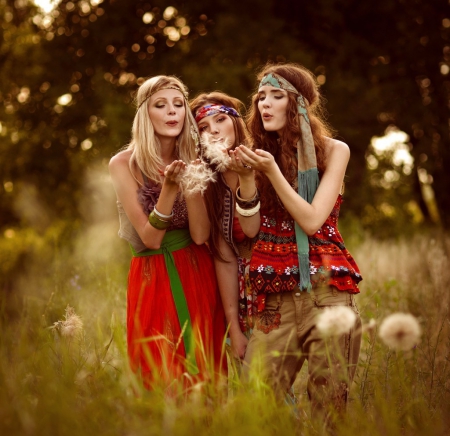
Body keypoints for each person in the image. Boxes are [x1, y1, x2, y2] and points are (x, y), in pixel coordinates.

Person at [233, 63, 363, 419]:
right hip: (274, 297)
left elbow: (311, 219)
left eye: (277, 96)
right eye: (261, 96)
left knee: (330, 408)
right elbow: (251, 229)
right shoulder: (254, 152)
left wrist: (271, 171)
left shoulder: (335, 150)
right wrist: (247, 179)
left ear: (301, 103)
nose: (265, 104)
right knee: (255, 407)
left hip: (327, 292)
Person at [109, 76, 226, 389]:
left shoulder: (193, 157)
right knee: (161, 368)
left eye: (178, 105)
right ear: (145, 116)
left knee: (205, 365)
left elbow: (201, 235)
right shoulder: (123, 164)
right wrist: (169, 189)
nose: (172, 112)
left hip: (196, 268)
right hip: (153, 272)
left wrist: (189, 181)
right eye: (160, 105)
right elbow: (150, 238)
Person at [189, 92, 256, 362]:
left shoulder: (263, 163)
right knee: (252, 383)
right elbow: (223, 255)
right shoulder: (210, 185)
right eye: (203, 127)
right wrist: (234, 326)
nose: (213, 130)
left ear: (236, 122)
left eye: (220, 120)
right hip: (239, 295)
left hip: (281, 285)